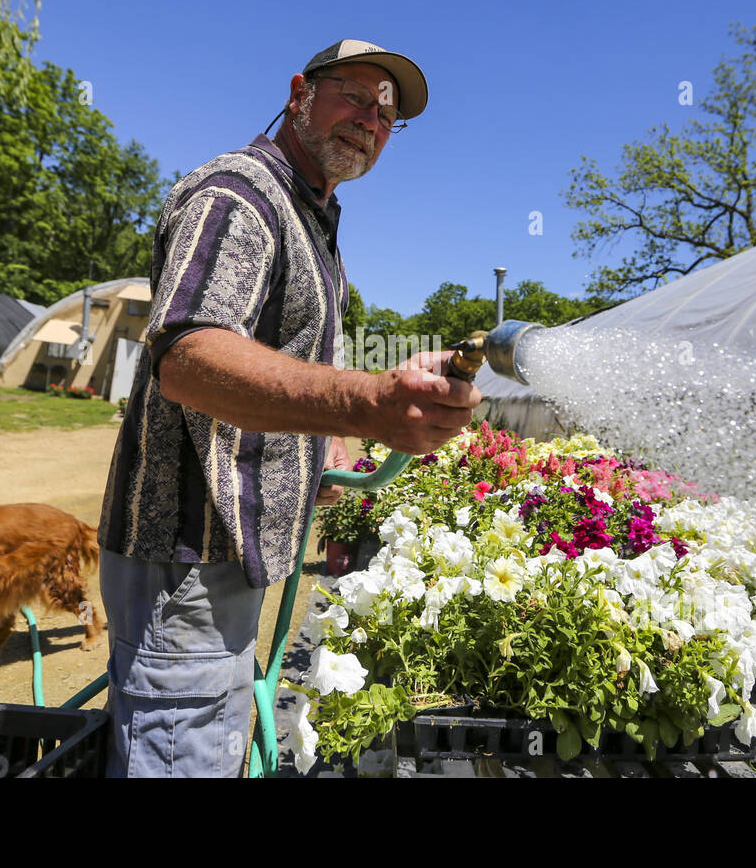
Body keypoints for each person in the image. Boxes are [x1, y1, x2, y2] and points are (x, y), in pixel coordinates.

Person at [96, 39, 482, 777]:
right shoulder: (238, 195)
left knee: (204, 744)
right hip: (185, 547)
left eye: (385, 116)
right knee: (181, 755)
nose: (369, 121)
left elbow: (296, 365)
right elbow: (188, 356)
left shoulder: (317, 228)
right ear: (301, 90)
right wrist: (365, 402)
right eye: (355, 98)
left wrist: (332, 446)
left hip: (234, 552)